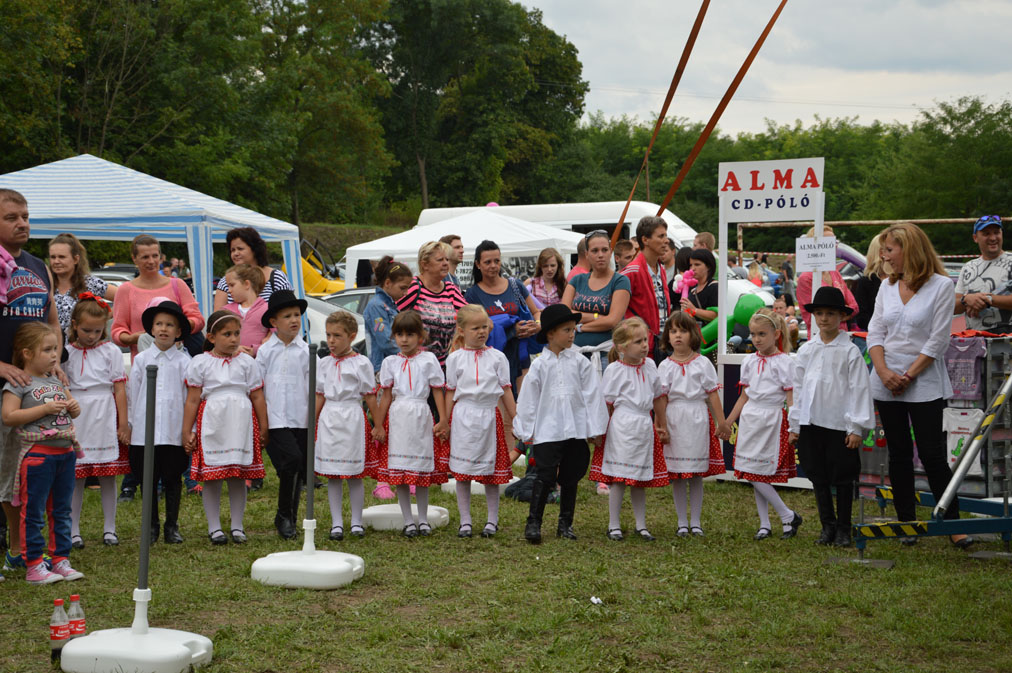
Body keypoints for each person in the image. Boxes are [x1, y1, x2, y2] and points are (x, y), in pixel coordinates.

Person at [867, 223, 970, 547]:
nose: (884, 256)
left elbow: (938, 340)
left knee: (931, 454)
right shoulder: (886, 287)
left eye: (889, 249)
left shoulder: (940, 286)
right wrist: (883, 372)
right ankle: (906, 522)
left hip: (924, 381)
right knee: (898, 453)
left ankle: (952, 524)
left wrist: (908, 376)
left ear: (909, 249)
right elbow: (875, 333)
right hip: (886, 380)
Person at [0, 188, 65, 577]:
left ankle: (24, 547)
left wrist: (55, 359)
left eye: (25, 216)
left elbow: (51, 319)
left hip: (34, 383)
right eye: (11, 217)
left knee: (26, 469)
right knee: (6, 471)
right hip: (5, 381)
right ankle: (18, 546)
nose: (22, 223)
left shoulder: (38, 266)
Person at [513, 304, 608, 544]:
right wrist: (526, 429)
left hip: (575, 429)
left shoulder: (580, 362)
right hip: (548, 430)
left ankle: (565, 523)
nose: (572, 334)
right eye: (566, 330)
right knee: (544, 475)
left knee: (571, 475)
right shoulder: (539, 365)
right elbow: (529, 399)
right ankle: (534, 522)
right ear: (550, 333)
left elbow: (592, 394)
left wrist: (594, 428)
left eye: (573, 329)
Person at [788, 287, 875, 547]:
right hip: (811, 422)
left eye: (830, 313)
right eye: (820, 313)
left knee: (844, 477)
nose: (824, 318)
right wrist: (795, 424)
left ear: (841, 317)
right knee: (818, 475)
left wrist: (856, 427)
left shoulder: (850, 352)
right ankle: (827, 526)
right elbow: (798, 389)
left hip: (839, 424)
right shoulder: (807, 350)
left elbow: (859, 389)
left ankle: (844, 528)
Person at [1, 322, 83, 584]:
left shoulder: (56, 380)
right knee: (33, 512)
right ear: (27, 353)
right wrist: (44, 410)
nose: (54, 355)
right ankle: (34, 564)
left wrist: (73, 407)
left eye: (55, 349)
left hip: (65, 453)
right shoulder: (18, 384)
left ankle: (60, 559)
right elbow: (9, 416)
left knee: (61, 510)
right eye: (47, 350)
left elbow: (73, 410)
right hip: (37, 456)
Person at [182, 311, 268, 545]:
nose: (233, 339)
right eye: (227, 334)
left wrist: (264, 426)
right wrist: (186, 430)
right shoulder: (201, 362)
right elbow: (192, 399)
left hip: (240, 421)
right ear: (211, 337)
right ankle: (215, 527)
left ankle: (237, 526)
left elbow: (257, 396)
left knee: (238, 476)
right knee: (213, 476)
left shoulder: (247, 362)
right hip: (213, 421)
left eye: (237, 333)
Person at [723, 309, 803, 541]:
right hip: (750, 419)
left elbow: (791, 398)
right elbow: (743, 396)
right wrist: (728, 421)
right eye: (753, 334)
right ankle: (765, 523)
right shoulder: (749, 361)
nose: (756, 339)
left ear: (776, 334)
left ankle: (786, 515)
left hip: (771, 419)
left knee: (759, 472)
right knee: (752, 470)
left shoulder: (785, 362)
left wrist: (794, 426)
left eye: (762, 334)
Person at [589, 318, 669, 541]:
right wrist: (599, 431)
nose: (644, 345)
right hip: (622, 427)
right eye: (638, 341)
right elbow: (606, 403)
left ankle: (641, 525)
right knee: (619, 479)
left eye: (645, 340)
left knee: (639, 479)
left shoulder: (650, 365)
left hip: (644, 425)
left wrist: (661, 424)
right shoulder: (615, 370)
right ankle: (613, 524)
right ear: (622, 347)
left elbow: (658, 397)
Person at [373, 311, 449, 538]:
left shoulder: (429, 360)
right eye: (399, 334)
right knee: (400, 472)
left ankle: (423, 519)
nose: (404, 339)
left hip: (421, 417)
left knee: (421, 472)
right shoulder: (390, 362)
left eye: (410, 334)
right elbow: (386, 395)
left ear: (420, 336)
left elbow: (437, 390)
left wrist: (443, 419)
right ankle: (408, 521)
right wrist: (379, 424)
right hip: (398, 420)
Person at [445, 305, 517, 539]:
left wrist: (516, 418)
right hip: (463, 417)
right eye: (475, 328)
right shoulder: (455, 359)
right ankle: (465, 520)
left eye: (484, 326)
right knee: (462, 473)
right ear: (462, 330)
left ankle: (492, 520)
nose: (481, 332)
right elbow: (450, 391)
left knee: (491, 474)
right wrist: (445, 420)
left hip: (488, 416)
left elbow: (506, 389)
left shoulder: (498, 357)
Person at [65, 295, 129, 549]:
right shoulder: (66, 353)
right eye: (86, 330)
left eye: (97, 331)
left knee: (107, 476)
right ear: (74, 325)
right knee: (76, 477)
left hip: (104, 412)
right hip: (77, 413)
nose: (92, 336)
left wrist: (123, 423)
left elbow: (120, 389)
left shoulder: (110, 351)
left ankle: (110, 528)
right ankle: (73, 530)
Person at [656, 312, 728, 537]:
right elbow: (661, 399)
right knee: (677, 474)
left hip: (697, 418)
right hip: (674, 419)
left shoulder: (703, 363)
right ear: (667, 336)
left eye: (683, 331)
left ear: (693, 335)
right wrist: (661, 426)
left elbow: (713, 395)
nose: (677, 335)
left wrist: (722, 422)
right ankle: (681, 522)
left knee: (696, 474)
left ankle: (695, 521)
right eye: (673, 331)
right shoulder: (665, 366)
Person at [128, 299, 191, 545]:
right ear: (152, 329)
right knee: (148, 479)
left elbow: (189, 398)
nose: (164, 329)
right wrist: (132, 425)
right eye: (159, 324)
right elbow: (133, 393)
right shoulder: (142, 359)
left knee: (173, 478)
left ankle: (171, 526)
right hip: (145, 432)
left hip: (174, 431)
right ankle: (151, 526)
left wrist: (189, 430)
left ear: (178, 331)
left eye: (170, 325)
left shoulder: (185, 362)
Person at [314, 312, 379, 542]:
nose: (331, 341)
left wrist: (378, 424)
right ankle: (336, 523)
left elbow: (370, 396)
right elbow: (320, 395)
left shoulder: (361, 363)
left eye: (337, 336)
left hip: (352, 416)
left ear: (351, 336)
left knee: (353, 473)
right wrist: (313, 420)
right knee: (333, 473)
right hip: (330, 418)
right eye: (328, 335)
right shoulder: (323, 363)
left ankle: (356, 521)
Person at [256, 290, 310, 540]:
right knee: (292, 459)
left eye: (297, 315)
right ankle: (284, 514)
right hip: (276, 418)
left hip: (301, 417)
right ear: (274, 322)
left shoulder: (306, 351)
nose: (294, 320)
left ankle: (289, 517)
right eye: (287, 316)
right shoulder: (266, 351)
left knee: (297, 467)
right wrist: (262, 421)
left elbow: (312, 386)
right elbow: (258, 387)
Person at [112, 234, 204, 360]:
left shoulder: (178, 284)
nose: (151, 261)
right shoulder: (125, 290)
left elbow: (198, 319)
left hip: (177, 362)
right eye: (145, 257)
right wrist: (134, 338)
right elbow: (117, 330)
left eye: (155, 256)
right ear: (134, 258)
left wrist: (179, 328)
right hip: (143, 364)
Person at [465, 240, 541, 388]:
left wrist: (537, 325)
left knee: (521, 399)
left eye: (497, 261)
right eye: (487, 262)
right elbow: (472, 329)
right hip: (491, 360)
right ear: (478, 264)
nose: (493, 265)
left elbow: (536, 311)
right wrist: (511, 331)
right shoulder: (472, 294)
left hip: (520, 355)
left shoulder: (515, 285)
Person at [563, 231, 632, 375]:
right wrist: (596, 316)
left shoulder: (620, 281)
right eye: (595, 251)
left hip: (606, 356)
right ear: (587, 254)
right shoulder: (577, 280)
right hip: (576, 354)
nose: (600, 255)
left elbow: (612, 321)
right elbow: (564, 314)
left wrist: (580, 327)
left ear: (610, 252)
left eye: (604, 250)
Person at [396, 242, 467, 367]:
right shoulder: (414, 287)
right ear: (425, 265)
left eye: (447, 259)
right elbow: (392, 317)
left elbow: (470, 317)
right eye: (440, 260)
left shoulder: (451, 289)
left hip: (444, 366)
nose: (445, 263)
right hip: (416, 366)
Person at [621, 216, 671, 359]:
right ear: (645, 240)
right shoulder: (631, 271)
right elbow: (618, 312)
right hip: (641, 348)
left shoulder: (661, 268)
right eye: (661, 236)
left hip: (662, 344)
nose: (666, 240)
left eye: (666, 235)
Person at [48, 232, 116, 334]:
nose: (56, 261)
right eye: (53, 257)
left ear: (76, 259)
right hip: (51, 342)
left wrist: (101, 318)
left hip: (81, 343)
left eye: (62, 257)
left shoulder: (90, 283)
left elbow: (124, 297)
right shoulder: (44, 283)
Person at [954, 215, 1012, 332]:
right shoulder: (968, 267)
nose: (993, 238)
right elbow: (953, 307)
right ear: (975, 238)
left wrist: (987, 300)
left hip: (1007, 337)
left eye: (996, 232)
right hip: (974, 338)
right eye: (986, 234)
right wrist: (966, 300)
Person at [795, 227, 858, 334]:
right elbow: (811, 317)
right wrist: (840, 313)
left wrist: (834, 315)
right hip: (820, 337)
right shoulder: (806, 278)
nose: (835, 246)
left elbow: (854, 307)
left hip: (841, 335)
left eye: (835, 241)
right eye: (829, 242)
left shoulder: (834, 272)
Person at [213, 227, 292, 310]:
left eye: (240, 249)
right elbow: (218, 315)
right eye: (232, 250)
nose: (235, 253)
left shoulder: (276, 278)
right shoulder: (225, 281)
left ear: (254, 249)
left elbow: (289, 310)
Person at [365, 257, 413, 375]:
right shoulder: (376, 306)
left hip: (394, 366)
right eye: (403, 288)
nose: (406, 293)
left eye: (407, 288)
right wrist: (410, 354)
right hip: (382, 369)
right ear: (387, 283)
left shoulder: (390, 306)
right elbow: (386, 341)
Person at [222, 264, 270, 356]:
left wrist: (256, 350)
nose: (229, 290)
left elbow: (276, 339)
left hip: (260, 362)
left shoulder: (268, 310)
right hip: (232, 361)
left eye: (232, 285)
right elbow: (217, 339)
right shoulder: (225, 311)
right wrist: (232, 349)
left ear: (247, 284)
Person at [853, 236, 888, 332]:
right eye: (889, 249)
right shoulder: (866, 282)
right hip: (876, 335)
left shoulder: (901, 279)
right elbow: (862, 318)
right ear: (880, 253)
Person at [681, 249, 719, 326]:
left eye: (697, 264)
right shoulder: (693, 288)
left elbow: (716, 315)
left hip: (709, 332)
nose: (692, 269)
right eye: (691, 265)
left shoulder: (714, 287)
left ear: (708, 266)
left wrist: (694, 310)